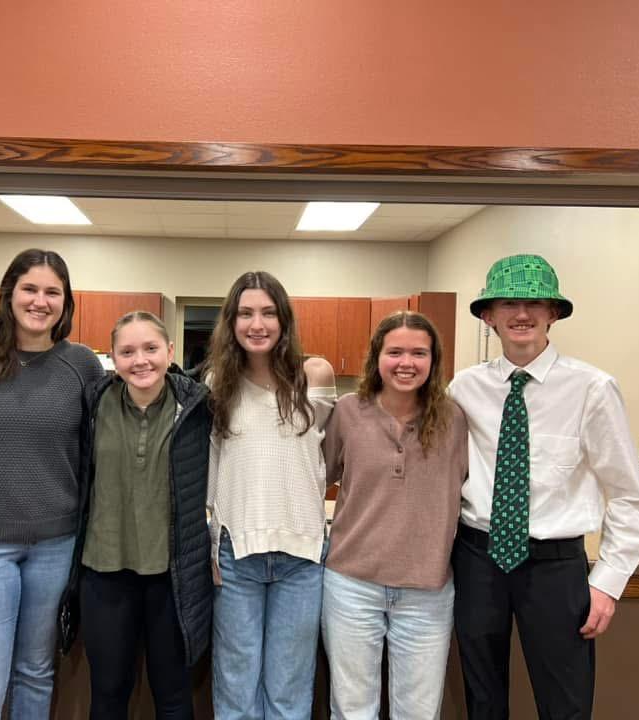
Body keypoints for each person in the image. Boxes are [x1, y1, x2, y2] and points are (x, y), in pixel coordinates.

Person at [448, 254, 639, 719]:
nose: (522, 314)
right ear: (488, 316)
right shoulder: (463, 389)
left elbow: (631, 498)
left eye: (535, 303)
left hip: (554, 567)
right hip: (477, 560)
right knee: (482, 699)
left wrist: (607, 584)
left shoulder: (592, 388)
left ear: (553, 314)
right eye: (508, 303)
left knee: (565, 702)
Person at [0, 249, 103, 719]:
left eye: (53, 292)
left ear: (66, 302)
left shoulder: (83, 366)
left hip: (56, 546)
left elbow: (95, 454)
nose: (40, 301)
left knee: (35, 673)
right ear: (9, 294)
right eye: (30, 289)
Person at [58, 311, 213, 720]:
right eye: (127, 352)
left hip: (173, 577)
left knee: (174, 695)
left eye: (151, 348)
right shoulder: (93, 403)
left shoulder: (198, 407)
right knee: (108, 693)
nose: (140, 360)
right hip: (104, 572)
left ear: (170, 351)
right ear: (112, 357)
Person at [321, 311, 467, 719]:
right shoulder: (348, 412)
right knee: (352, 710)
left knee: (418, 712)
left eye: (419, 353)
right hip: (351, 585)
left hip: (427, 590)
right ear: (377, 357)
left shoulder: (455, 420)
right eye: (395, 352)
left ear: (434, 360)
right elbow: (315, 477)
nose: (407, 362)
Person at [206, 271, 336, 720]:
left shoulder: (314, 376)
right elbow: (214, 467)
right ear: (231, 322)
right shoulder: (216, 384)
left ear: (284, 320)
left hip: (302, 556)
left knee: (289, 691)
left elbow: (327, 459)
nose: (257, 324)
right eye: (245, 313)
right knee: (236, 688)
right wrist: (211, 544)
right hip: (236, 555)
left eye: (268, 313)